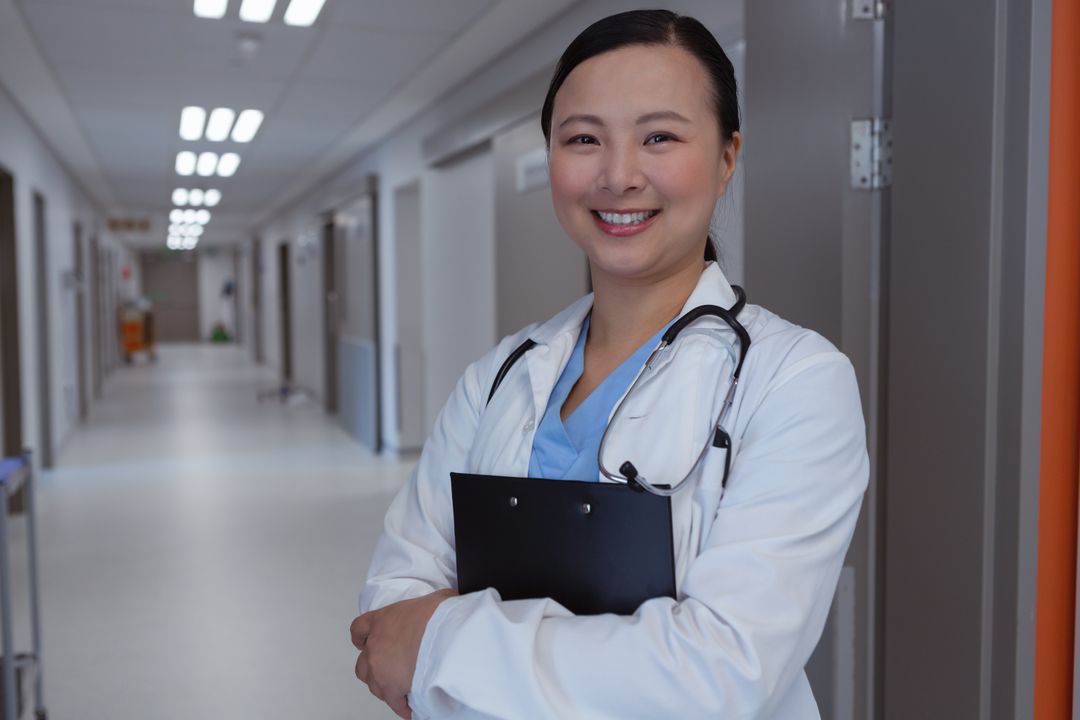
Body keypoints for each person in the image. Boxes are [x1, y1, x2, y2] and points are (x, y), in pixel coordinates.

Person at [350, 10, 868, 719]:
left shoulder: (795, 382)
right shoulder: (501, 375)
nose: (619, 175)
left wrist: (443, 644)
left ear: (726, 156)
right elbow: (392, 601)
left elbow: (719, 676)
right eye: (584, 139)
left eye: (659, 137)